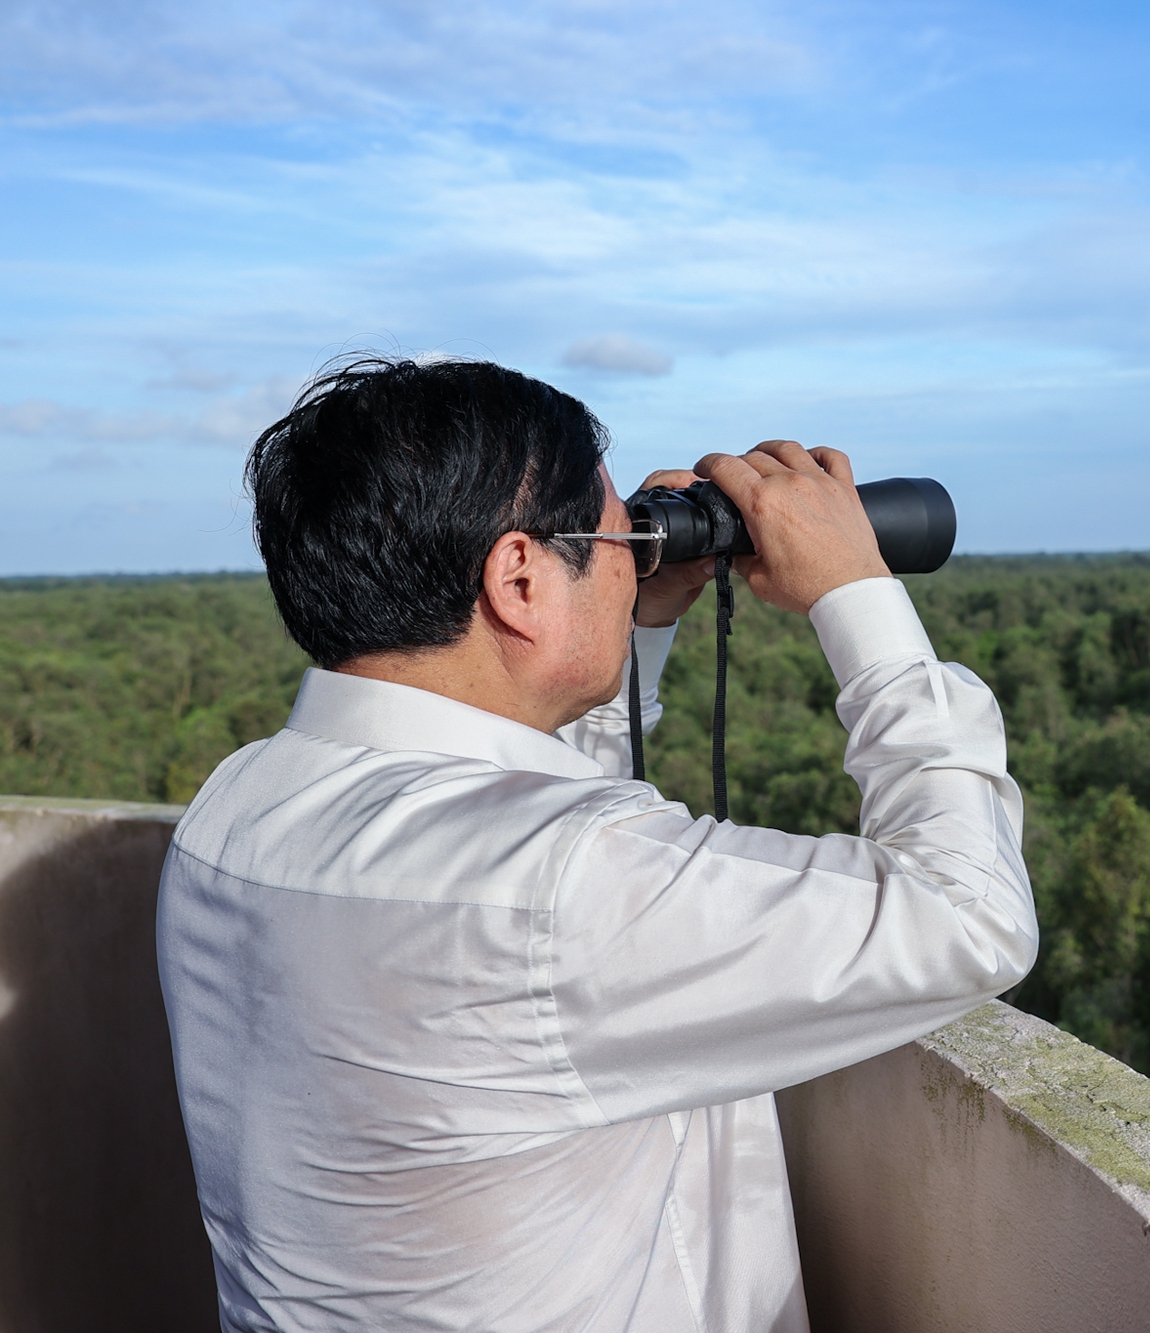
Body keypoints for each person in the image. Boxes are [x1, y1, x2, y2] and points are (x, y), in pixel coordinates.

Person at [155, 357, 1038, 1332]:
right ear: (520, 576)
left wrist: (633, 617)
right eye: (616, 536)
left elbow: (515, 842)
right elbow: (968, 914)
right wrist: (853, 586)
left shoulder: (233, 807)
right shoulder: (552, 888)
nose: (633, 556)